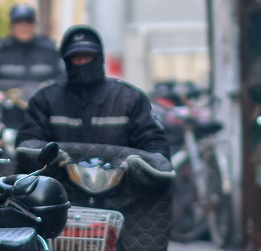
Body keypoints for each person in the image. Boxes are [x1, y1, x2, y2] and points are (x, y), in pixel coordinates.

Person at [15, 24, 170, 157]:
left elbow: (154, 141)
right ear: (67, 61)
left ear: (99, 57)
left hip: (121, 187)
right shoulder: (45, 101)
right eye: (76, 57)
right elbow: (29, 140)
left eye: (87, 56)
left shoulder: (129, 99)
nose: (82, 61)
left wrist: (142, 164)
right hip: (62, 187)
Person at [0, 2, 64, 91]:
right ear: (11, 26)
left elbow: (63, 76)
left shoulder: (49, 50)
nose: (24, 26)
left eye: (28, 21)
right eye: (19, 22)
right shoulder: (0, 52)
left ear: (34, 25)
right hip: (7, 103)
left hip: (43, 103)